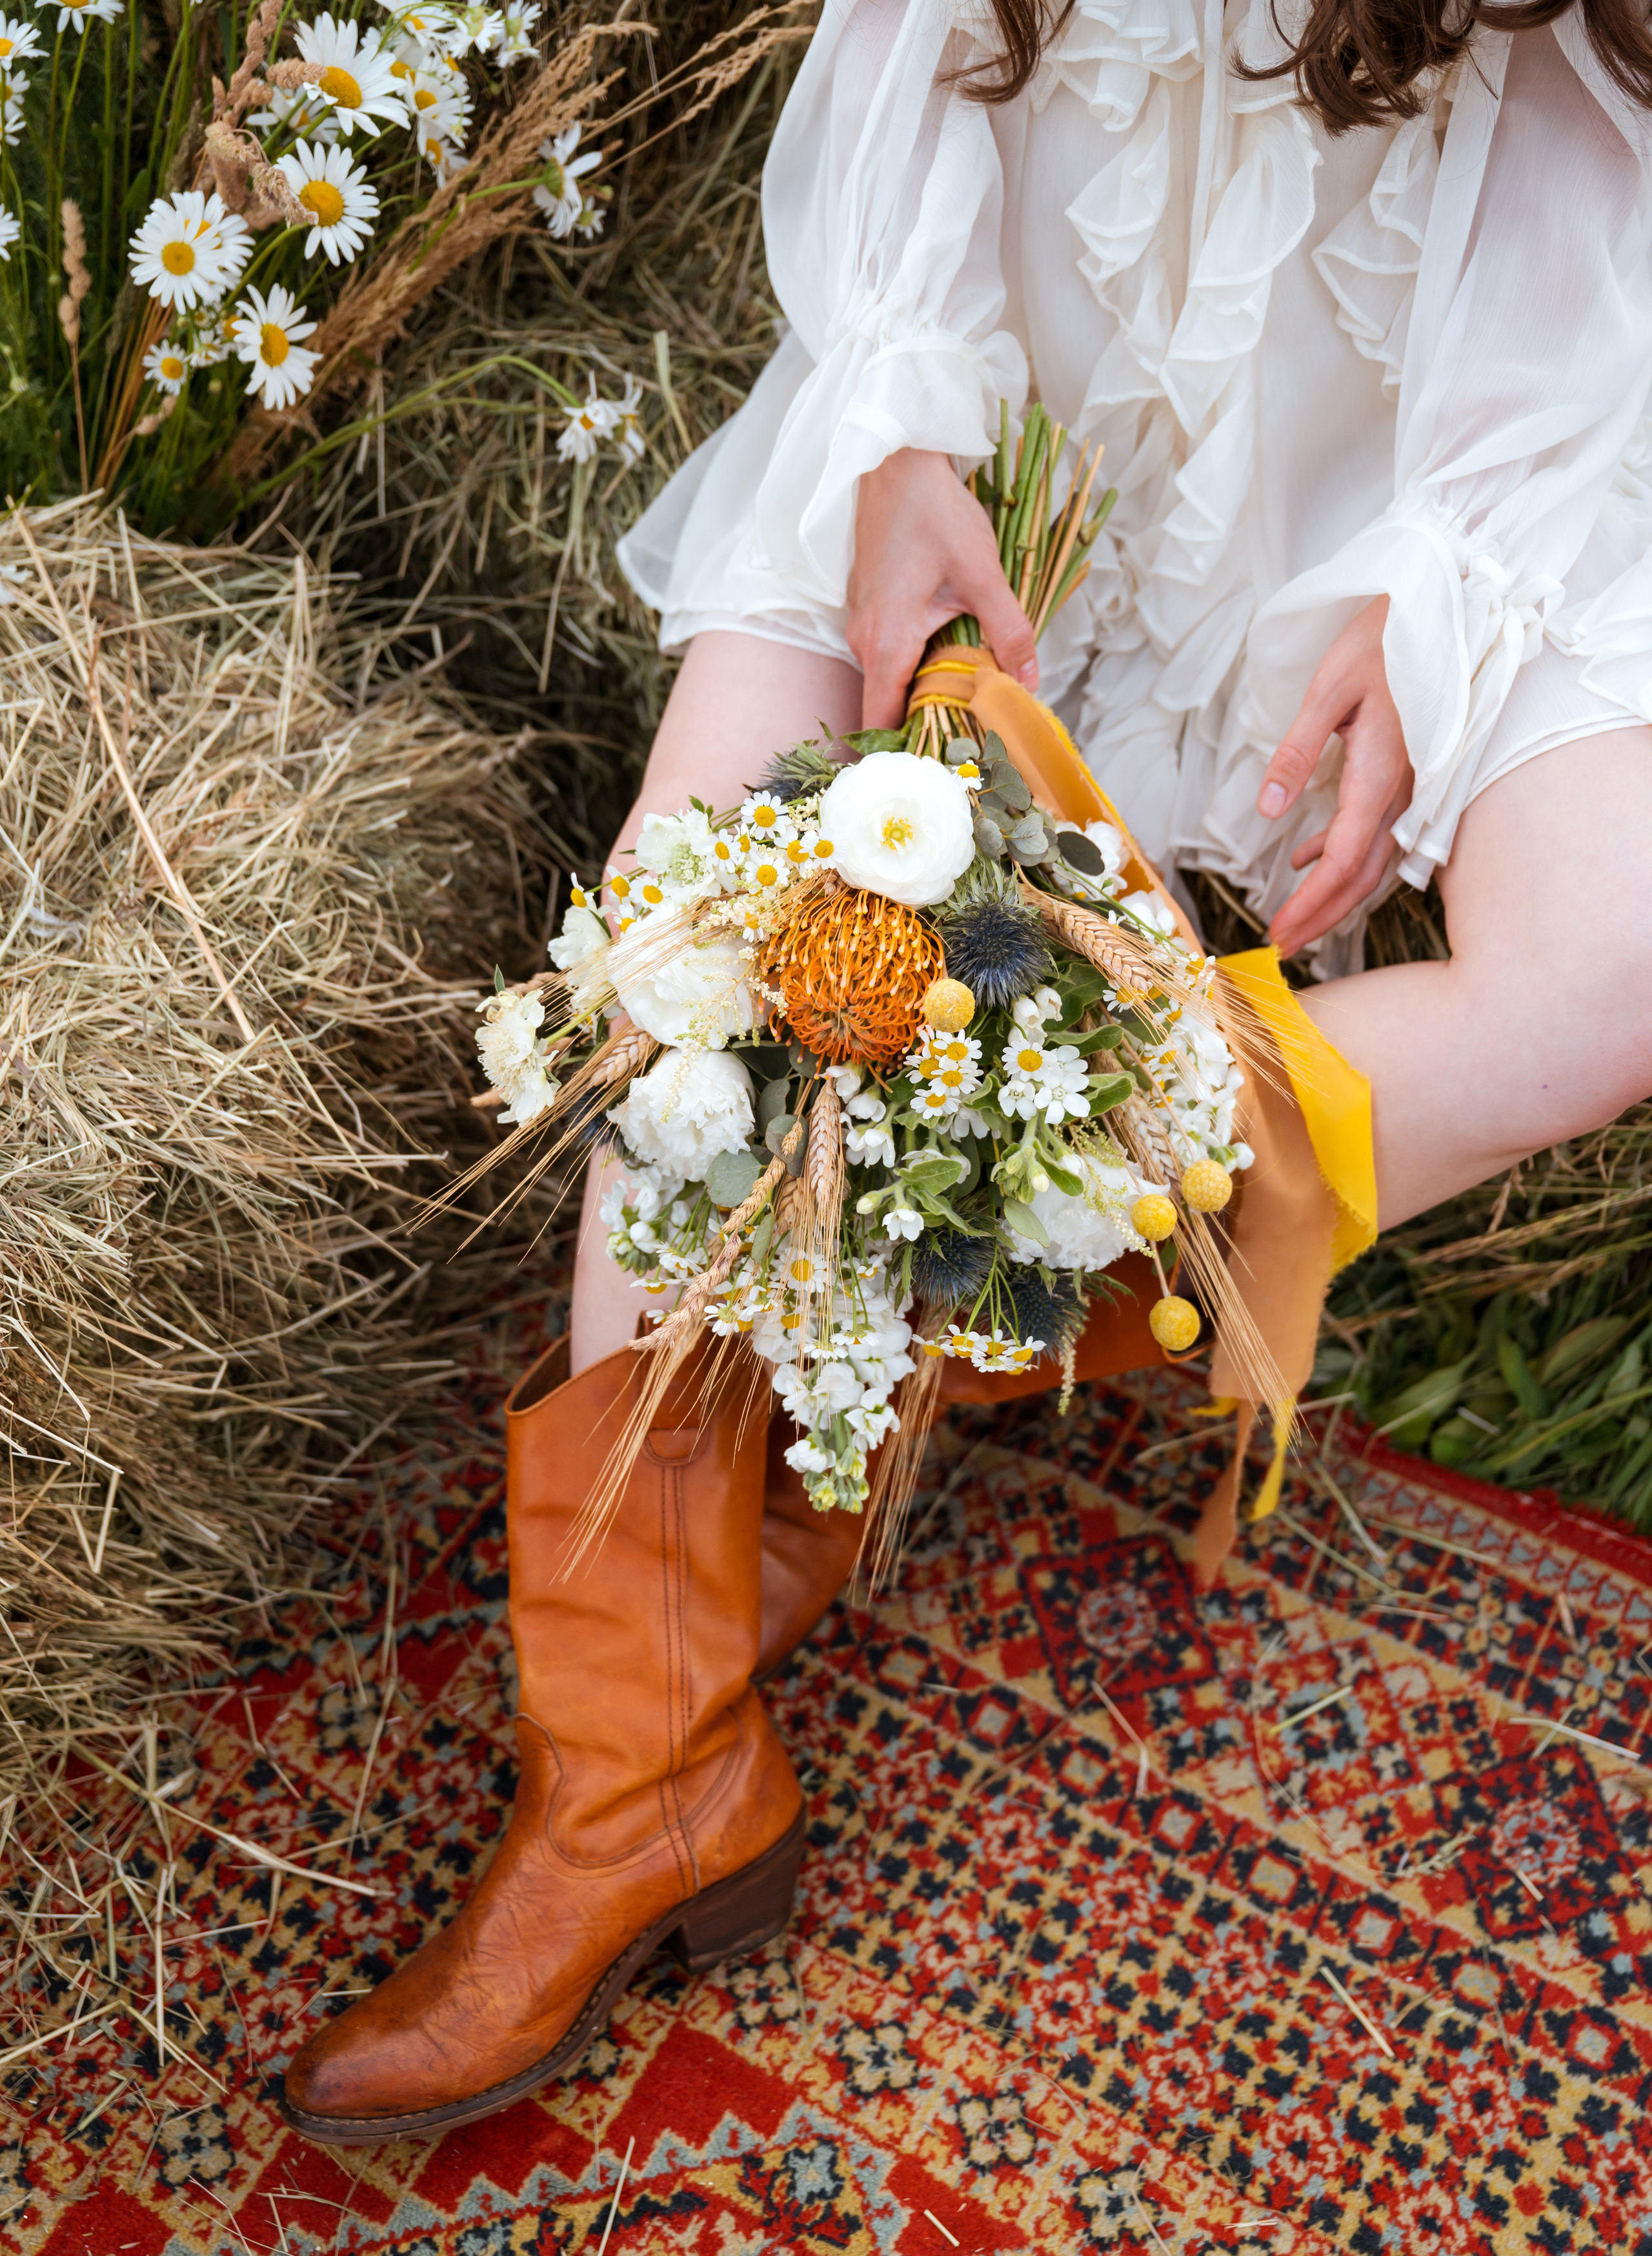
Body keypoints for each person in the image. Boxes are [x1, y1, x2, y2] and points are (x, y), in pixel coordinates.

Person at [281, 0, 1652, 2140]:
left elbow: (1595, 203)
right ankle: (642, 1782)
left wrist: (1441, 588)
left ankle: (958, 1288)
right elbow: (906, 73)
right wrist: (905, 421)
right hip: (1000, 388)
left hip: (1432, 450)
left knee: (1609, 973)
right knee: (694, 934)